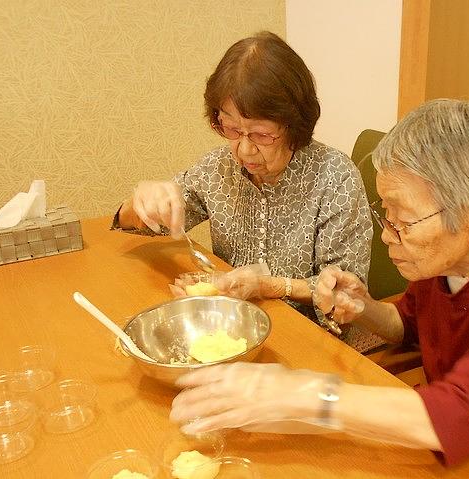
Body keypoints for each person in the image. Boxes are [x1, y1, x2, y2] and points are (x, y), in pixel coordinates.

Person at [168, 99, 469, 479]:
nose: (388, 235)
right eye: (385, 214)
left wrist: (301, 394)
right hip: (447, 451)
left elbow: (459, 411)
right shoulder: (444, 260)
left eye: (403, 220)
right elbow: (407, 325)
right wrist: (365, 307)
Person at [112, 32, 377, 350]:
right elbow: (142, 224)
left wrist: (268, 286)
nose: (244, 149)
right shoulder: (218, 168)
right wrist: (141, 199)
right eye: (231, 129)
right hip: (232, 332)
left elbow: (346, 292)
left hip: (312, 341)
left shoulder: (334, 177)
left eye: (262, 134)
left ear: (295, 124)